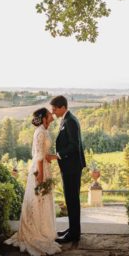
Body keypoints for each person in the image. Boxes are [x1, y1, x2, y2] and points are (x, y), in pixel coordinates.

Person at [4, 108, 62, 256]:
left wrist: (59, 156)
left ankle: (43, 230)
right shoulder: (41, 132)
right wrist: (41, 176)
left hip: (44, 167)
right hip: (39, 170)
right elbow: (39, 157)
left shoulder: (44, 130)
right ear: (43, 118)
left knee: (43, 200)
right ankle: (35, 233)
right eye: (49, 115)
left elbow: (45, 155)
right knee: (38, 199)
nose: (52, 116)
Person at [47, 95, 86, 243]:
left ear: (62, 107)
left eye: (54, 109)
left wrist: (56, 156)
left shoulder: (70, 121)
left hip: (72, 168)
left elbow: (74, 146)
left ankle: (74, 235)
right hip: (70, 167)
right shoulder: (66, 119)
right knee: (70, 200)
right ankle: (72, 229)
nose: (53, 112)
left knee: (72, 200)